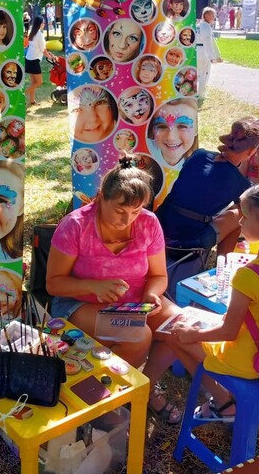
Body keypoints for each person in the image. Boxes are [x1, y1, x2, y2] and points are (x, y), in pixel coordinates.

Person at [162, 180, 259, 421]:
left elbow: (228, 332)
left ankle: (222, 401)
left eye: (245, 217)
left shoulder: (249, 275)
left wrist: (191, 335)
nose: (239, 222)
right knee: (191, 321)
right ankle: (223, 398)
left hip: (248, 359)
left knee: (174, 335)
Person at [46, 157, 182, 421]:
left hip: (136, 301)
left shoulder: (149, 222)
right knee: (139, 335)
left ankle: (143, 387)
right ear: (100, 197)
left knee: (178, 326)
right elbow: (53, 283)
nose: (128, 219)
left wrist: (152, 294)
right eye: (120, 210)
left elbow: (158, 275)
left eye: (136, 211)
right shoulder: (76, 226)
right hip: (79, 303)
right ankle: (104, 395)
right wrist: (93, 287)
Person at [155, 117, 259, 256]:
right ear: (252, 151)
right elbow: (253, 209)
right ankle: (222, 264)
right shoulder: (239, 183)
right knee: (239, 214)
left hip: (159, 226)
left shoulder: (199, 155)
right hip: (187, 241)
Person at [146, 98, 198, 170]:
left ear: (196, 129)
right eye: (161, 126)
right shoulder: (141, 150)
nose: (171, 137)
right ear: (152, 128)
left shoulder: (198, 166)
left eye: (182, 126)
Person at [24, 16, 55, 107]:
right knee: (38, 82)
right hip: (33, 61)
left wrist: (48, 54)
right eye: (43, 22)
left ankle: (32, 101)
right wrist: (50, 56)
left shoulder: (32, 33)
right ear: (40, 24)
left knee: (33, 82)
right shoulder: (40, 35)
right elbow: (43, 50)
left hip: (29, 59)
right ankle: (22, 96)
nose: (44, 24)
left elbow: (39, 48)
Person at [196, 7, 222, 101]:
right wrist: (212, 57)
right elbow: (208, 43)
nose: (213, 17)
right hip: (203, 52)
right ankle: (201, 94)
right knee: (204, 74)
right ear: (206, 15)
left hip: (197, 51)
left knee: (198, 74)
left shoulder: (198, 25)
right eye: (212, 15)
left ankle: (197, 92)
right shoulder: (206, 27)